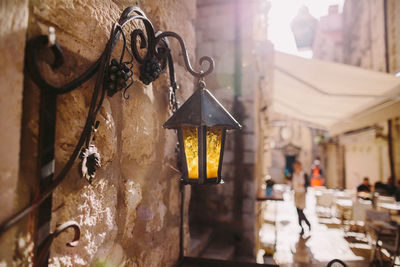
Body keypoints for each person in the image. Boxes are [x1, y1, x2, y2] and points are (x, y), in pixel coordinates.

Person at [292, 160, 311, 236]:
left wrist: (301, 185)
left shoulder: (304, 174)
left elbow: (307, 184)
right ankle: (304, 226)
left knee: (300, 211)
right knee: (298, 211)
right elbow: (294, 184)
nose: (296, 167)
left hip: (302, 193)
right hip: (296, 193)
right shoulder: (294, 174)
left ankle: (305, 225)